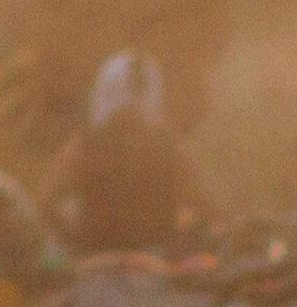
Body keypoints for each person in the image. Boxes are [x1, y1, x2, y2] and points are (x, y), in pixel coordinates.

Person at [45, 50, 203, 257]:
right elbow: (53, 205)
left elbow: (195, 205)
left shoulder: (169, 146)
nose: (131, 104)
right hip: (99, 255)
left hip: (154, 256)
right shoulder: (82, 147)